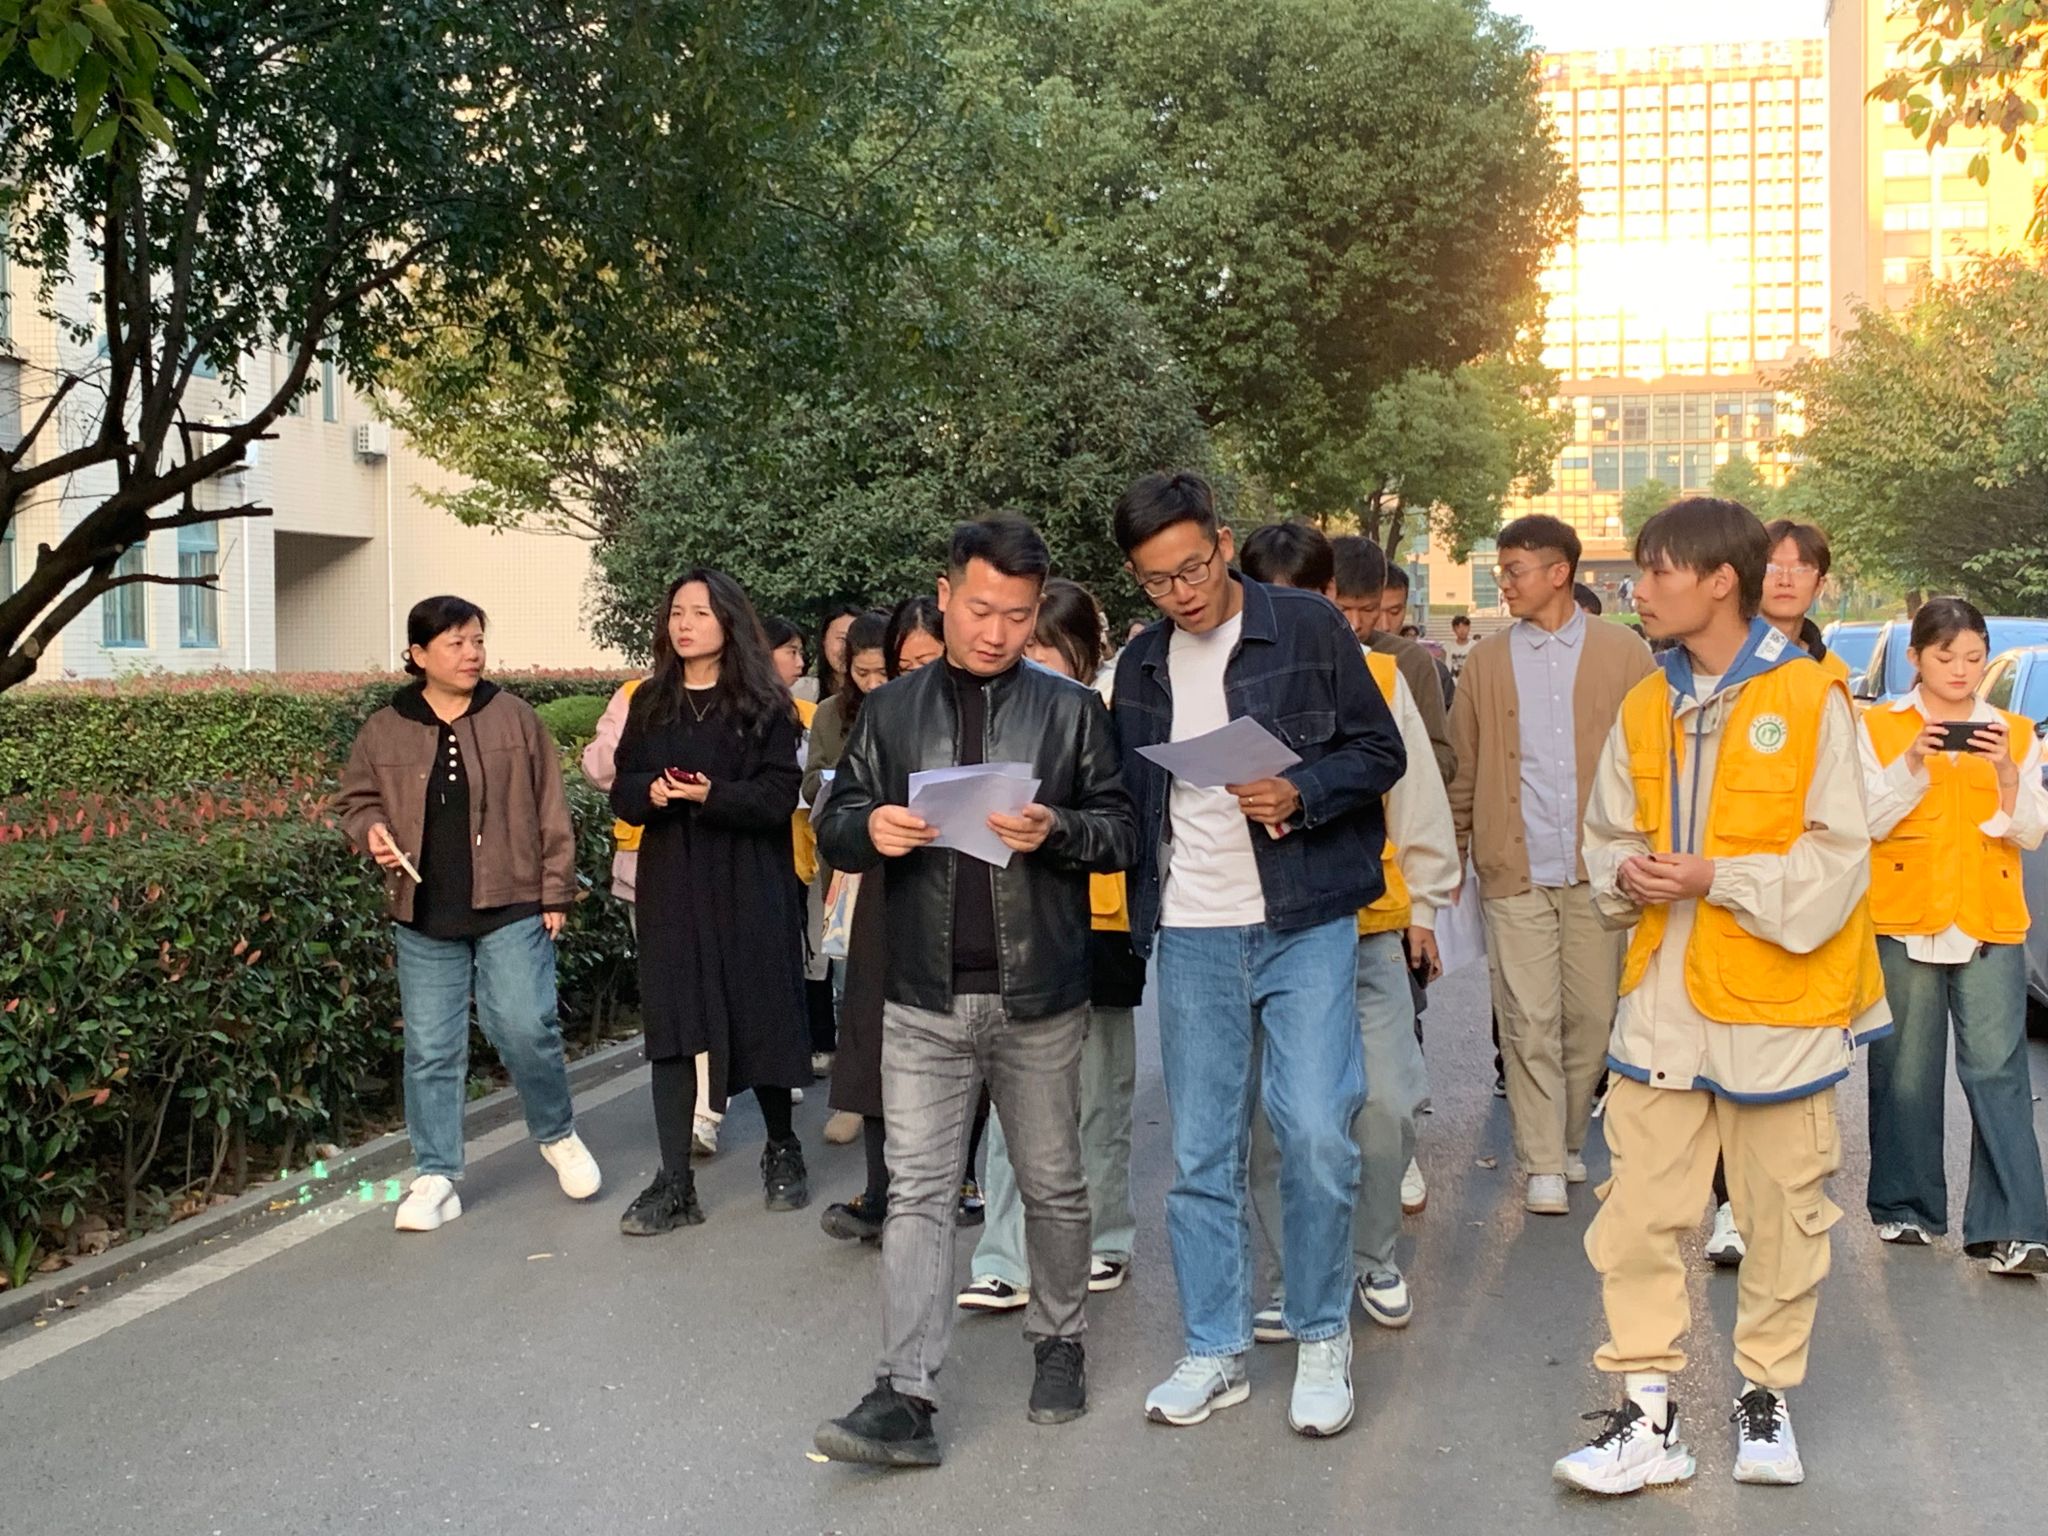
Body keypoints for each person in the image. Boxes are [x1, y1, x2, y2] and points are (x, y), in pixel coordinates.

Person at [1554, 496, 1888, 1495]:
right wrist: (1628, 873)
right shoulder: (1643, 702)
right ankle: (1647, 1414)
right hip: (1662, 1006)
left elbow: (1840, 858)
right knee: (1635, 1216)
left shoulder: (1813, 697)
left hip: (1779, 1014)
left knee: (1782, 1220)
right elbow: (1606, 833)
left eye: (1656, 571)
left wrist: (1716, 878)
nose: (1638, 589)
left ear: (1718, 581)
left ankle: (1763, 1396)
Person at [813, 517, 1137, 1467]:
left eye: (1019, 615)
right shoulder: (890, 709)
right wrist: (869, 827)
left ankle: (1060, 1339)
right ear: (946, 595)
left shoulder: (1072, 711)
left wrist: (1058, 830)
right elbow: (834, 815)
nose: (997, 632)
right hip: (920, 994)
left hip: (1039, 992)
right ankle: (903, 1393)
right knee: (917, 1191)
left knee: (1052, 1181)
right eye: (982, 609)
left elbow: (1122, 829)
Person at [1112, 474, 1404, 1440]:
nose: (1182, 593)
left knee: (1317, 1132)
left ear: (1223, 542)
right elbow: (1129, 799)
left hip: (1305, 917)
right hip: (1193, 929)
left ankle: (1320, 1334)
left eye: (1194, 568)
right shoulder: (1142, 663)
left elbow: (1381, 753)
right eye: (1157, 582)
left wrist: (1300, 792)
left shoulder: (1308, 628)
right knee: (1202, 1152)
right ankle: (1215, 1349)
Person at [1236, 522, 1457, 1338]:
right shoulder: (1219, 679)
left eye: (1307, 597)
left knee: (1387, 1103)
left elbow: (1417, 798)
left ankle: (1373, 1258)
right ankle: (1293, 1274)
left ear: (1331, 597)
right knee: (1277, 1117)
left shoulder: (1379, 676)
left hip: (1368, 924)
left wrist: (1425, 908)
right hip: (1264, 928)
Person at [337, 596, 601, 1231]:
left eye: (477, 640)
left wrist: (556, 891)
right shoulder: (385, 728)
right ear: (418, 654)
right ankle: (436, 1174)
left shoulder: (515, 717)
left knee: (526, 1026)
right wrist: (371, 830)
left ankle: (557, 1133)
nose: (472, 653)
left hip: (512, 900)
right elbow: (356, 800)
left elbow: (551, 808)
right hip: (423, 911)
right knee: (431, 1049)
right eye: (455, 643)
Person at [1449, 514, 1653, 1216]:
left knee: (1592, 1017)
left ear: (1559, 572)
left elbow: (1654, 761)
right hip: (1514, 866)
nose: (1504, 584)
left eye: (1514, 570)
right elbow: (1464, 768)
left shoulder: (1625, 652)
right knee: (1527, 1016)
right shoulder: (1485, 662)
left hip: (1601, 868)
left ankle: (1566, 1140)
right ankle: (1540, 1159)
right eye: (1501, 571)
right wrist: (1456, 852)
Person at [959, 578, 1146, 1309]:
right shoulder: (991, 717)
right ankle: (1004, 1256)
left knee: (1099, 1097)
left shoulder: (1110, 721)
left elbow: (1128, 826)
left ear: (1082, 653)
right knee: (1014, 1100)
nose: (1027, 655)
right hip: (1020, 924)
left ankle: (1106, 1237)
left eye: (1044, 645)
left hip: (1102, 926)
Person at [610, 570, 812, 1235]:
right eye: (676, 612)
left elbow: (778, 797)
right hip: (672, 883)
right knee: (673, 1023)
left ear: (728, 621)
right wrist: (653, 792)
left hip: (749, 880)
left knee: (762, 1010)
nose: (684, 624)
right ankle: (675, 1182)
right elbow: (623, 789)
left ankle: (782, 1146)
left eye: (699, 612)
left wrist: (710, 794)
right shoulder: (650, 701)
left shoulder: (764, 703)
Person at [1860, 597, 2048, 1274]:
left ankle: (2016, 1227)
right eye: (1946, 657)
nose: (1961, 670)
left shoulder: (2015, 732)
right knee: (1904, 1070)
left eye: (1973, 657)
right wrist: (1913, 761)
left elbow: (2031, 831)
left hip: (1989, 918)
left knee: (2000, 1072)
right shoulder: (1878, 726)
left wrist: (2006, 774)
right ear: (1915, 658)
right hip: (1905, 913)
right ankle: (1906, 1207)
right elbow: (1866, 820)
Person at [805, 609, 893, 1150]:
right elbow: (810, 779)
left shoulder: (911, 705)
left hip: (905, 857)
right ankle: (854, 1097)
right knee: (848, 981)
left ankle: (895, 1092)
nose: (874, 683)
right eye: (862, 673)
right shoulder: (829, 715)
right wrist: (837, 780)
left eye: (883, 671)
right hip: (850, 861)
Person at [1331, 536, 1454, 783]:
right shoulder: (1300, 654)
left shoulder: (1412, 661)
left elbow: (1443, 759)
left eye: (1368, 610)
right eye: (1343, 609)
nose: (1355, 624)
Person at [1761, 520, 1850, 682]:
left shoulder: (1833, 671)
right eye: (1771, 568)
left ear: (1819, 585)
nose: (1785, 581)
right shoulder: (1725, 658)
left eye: (1800, 570)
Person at [1381, 564, 1455, 707]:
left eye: (1394, 612)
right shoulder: (1340, 666)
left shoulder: (1431, 671)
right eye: (1372, 610)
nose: (1385, 625)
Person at [803, 604, 861, 704]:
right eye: (842, 639)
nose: (847, 647)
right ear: (823, 640)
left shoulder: (873, 691)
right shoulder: (801, 692)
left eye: (854, 638)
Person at [1444, 614, 1476, 682]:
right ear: (1454, 629)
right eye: (1458, 627)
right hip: (1452, 685)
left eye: (1465, 626)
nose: (1462, 630)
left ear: (1469, 628)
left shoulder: (1475, 646)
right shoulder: (1447, 647)